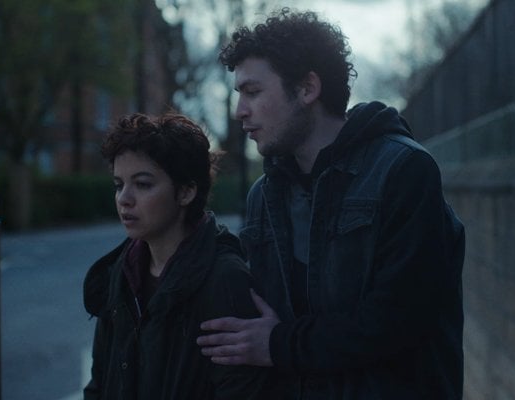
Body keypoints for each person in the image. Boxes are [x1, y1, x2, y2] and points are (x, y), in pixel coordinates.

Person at [196, 8, 466, 399]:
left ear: (307, 88)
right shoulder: (262, 198)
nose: (240, 111)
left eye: (253, 92)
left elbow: (397, 322)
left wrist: (279, 345)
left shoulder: (403, 171)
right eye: (239, 94)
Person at [82, 112, 268, 399]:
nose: (124, 199)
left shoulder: (224, 279)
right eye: (119, 185)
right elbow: (99, 384)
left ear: (186, 192)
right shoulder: (122, 271)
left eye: (142, 184)